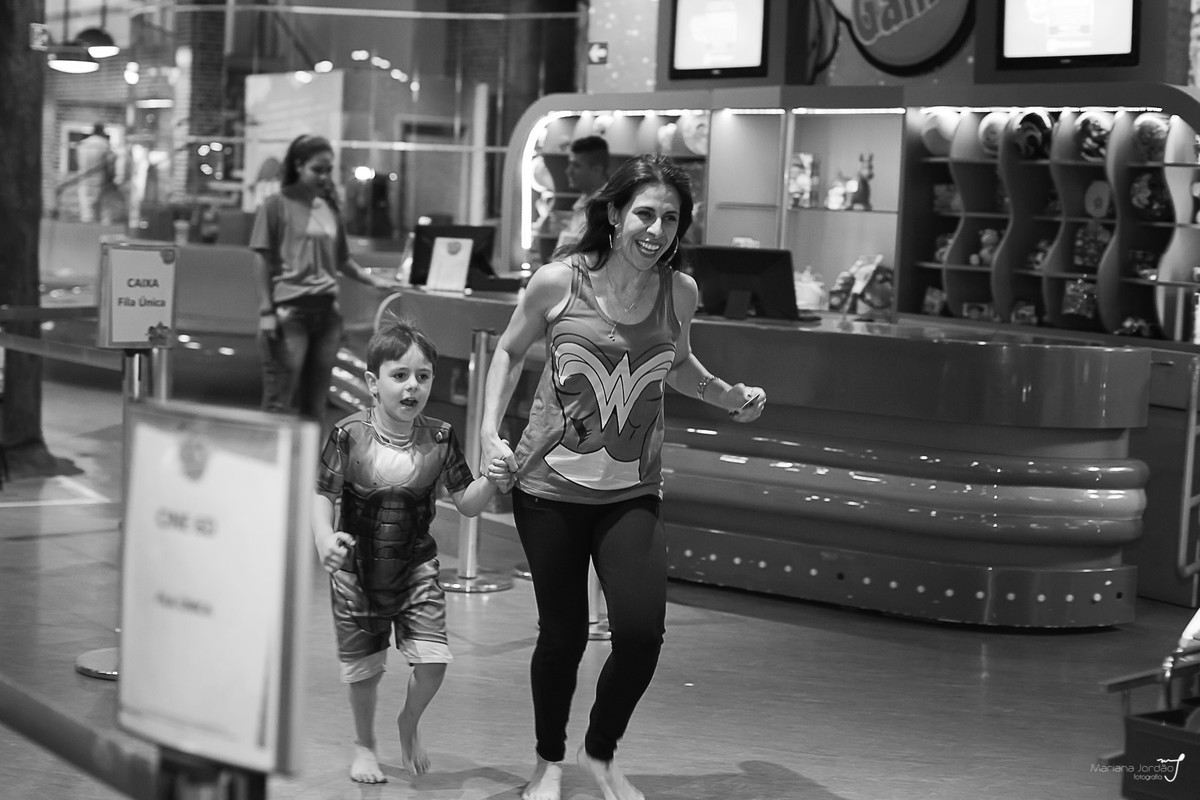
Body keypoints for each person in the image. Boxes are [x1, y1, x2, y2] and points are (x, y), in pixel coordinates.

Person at [479, 153, 766, 800]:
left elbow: (678, 362)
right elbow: (510, 350)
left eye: (671, 218)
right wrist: (490, 432)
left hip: (632, 489)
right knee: (563, 636)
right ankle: (548, 762)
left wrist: (726, 396)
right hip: (548, 488)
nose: (656, 230)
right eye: (645, 213)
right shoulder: (559, 282)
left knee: (639, 635)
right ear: (614, 214)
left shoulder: (680, 291)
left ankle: (600, 752)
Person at [313, 320, 514, 784]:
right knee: (363, 669)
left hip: (416, 567)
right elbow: (322, 493)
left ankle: (409, 720)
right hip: (356, 571)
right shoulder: (348, 434)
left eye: (423, 377)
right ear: (372, 382)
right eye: (399, 375)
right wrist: (324, 538)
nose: (412, 386)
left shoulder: (439, 438)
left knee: (434, 661)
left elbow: (467, 503)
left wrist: (493, 479)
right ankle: (364, 744)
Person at [250, 134, 398, 422]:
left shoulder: (329, 208)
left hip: (327, 314)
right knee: (280, 401)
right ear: (298, 165)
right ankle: (273, 452)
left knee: (315, 405)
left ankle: (308, 453)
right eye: (317, 169)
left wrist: (372, 280)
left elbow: (341, 260)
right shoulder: (275, 205)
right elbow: (261, 258)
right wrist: (266, 311)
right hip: (289, 312)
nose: (324, 176)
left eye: (328, 169)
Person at [555, 135, 610, 252]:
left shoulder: (608, 207)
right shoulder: (584, 202)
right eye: (570, 164)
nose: (568, 171)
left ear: (597, 170)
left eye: (576, 166)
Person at [76, 123, 113, 224]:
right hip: (100, 179)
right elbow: (109, 163)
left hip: (84, 179)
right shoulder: (104, 144)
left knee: (86, 211)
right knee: (101, 211)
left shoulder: (84, 144)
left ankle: (86, 227)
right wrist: (111, 178)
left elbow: (78, 161)